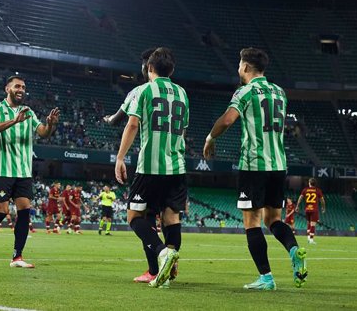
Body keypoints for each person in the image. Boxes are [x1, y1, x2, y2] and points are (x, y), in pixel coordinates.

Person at [204, 47, 307, 290]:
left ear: (247, 67)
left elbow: (228, 119)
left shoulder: (245, 92)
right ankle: (294, 250)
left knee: (252, 221)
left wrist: (210, 138)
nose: (238, 68)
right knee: (274, 219)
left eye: (239, 64)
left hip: (254, 164)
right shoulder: (279, 92)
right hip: (279, 165)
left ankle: (266, 278)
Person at [0, 75, 60, 268]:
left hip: (24, 170)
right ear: (7, 89)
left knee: (24, 210)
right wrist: (14, 121)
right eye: (17, 86)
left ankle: (17, 257)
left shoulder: (28, 112)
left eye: (23, 87)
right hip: (2, 170)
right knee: (1, 212)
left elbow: (43, 132)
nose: (21, 89)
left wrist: (50, 123)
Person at [115, 47, 188, 288]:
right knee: (171, 217)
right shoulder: (182, 93)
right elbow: (183, 130)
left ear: (149, 68)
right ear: (173, 70)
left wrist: (120, 158)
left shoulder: (144, 90)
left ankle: (162, 253)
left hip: (150, 167)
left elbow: (133, 124)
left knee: (135, 216)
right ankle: (168, 268)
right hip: (176, 165)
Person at [296, 178, 326, 244]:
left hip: (307, 209)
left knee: (308, 223)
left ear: (309, 183)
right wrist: (323, 207)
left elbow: (300, 198)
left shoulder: (305, 190)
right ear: (315, 184)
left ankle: (308, 238)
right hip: (314, 209)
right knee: (313, 224)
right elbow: (322, 200)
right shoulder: (317, 190)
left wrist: (297, 206)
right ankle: (311, 240)